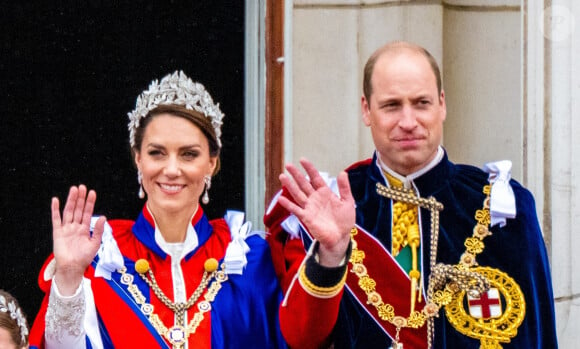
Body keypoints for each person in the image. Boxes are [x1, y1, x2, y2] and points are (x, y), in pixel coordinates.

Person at [264, 41, 558, 348]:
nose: (408, 122)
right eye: (392, 105)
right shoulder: (334, 205)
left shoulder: (501, 207)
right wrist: (331, 254)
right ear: (366, 109)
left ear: (442, 104)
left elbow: (537, 335)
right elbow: (302, 339)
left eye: (421, 103)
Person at [28, 71, 287, 349]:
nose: (172, 170)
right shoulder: (100, 259)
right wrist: (68, 277)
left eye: (189, 154)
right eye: (157, 153)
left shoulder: (249, 260)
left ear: (212, 163)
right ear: (138, 158)